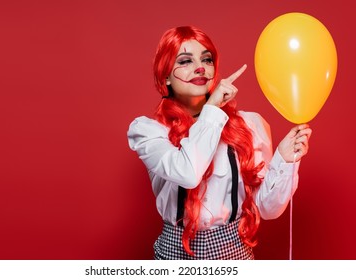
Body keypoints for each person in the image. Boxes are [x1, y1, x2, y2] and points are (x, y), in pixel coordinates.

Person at [127, 26, 312, 260]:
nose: (200, 67)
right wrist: (212, 108)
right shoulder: (149, 132)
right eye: (185, 61)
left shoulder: (249, 125)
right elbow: (188, 172)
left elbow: (267, 209)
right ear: (166, 76)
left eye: (207, 59)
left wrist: (284, 160)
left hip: (234, 255)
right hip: (174, 256)